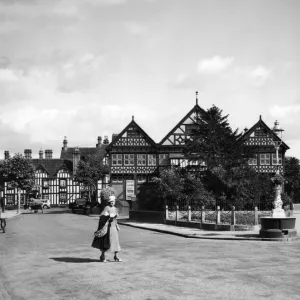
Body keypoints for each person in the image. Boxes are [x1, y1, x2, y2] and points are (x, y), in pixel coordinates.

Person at [99, 195, 122, 262]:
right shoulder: (107, 208)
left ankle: (116, 256)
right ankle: (103, 256)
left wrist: (117, 225)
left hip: (114, 227)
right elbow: (102, 217)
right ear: (109, 202)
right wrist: (108, 217)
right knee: (106, 241)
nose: (112, 203)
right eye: (111, 201)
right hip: (108, 227)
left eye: (113, 201)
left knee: (115, 241)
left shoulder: (115, 208)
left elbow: (116, 218)